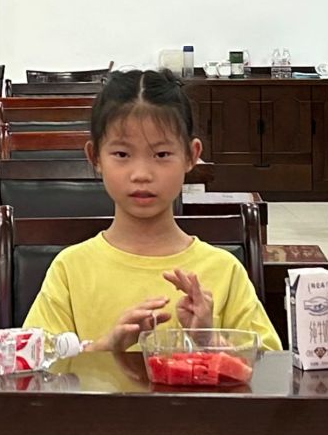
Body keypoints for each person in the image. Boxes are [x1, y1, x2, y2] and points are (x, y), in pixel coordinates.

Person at [23, 68, 282, 352]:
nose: (142, 174)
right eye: (122, 154)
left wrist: (209, 340)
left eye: (161, 154)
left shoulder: (223, 270)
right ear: (95, 156)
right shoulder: (70, 269)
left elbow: (269, 364)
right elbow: (32, 362)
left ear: (191, 155)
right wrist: (103, 351)